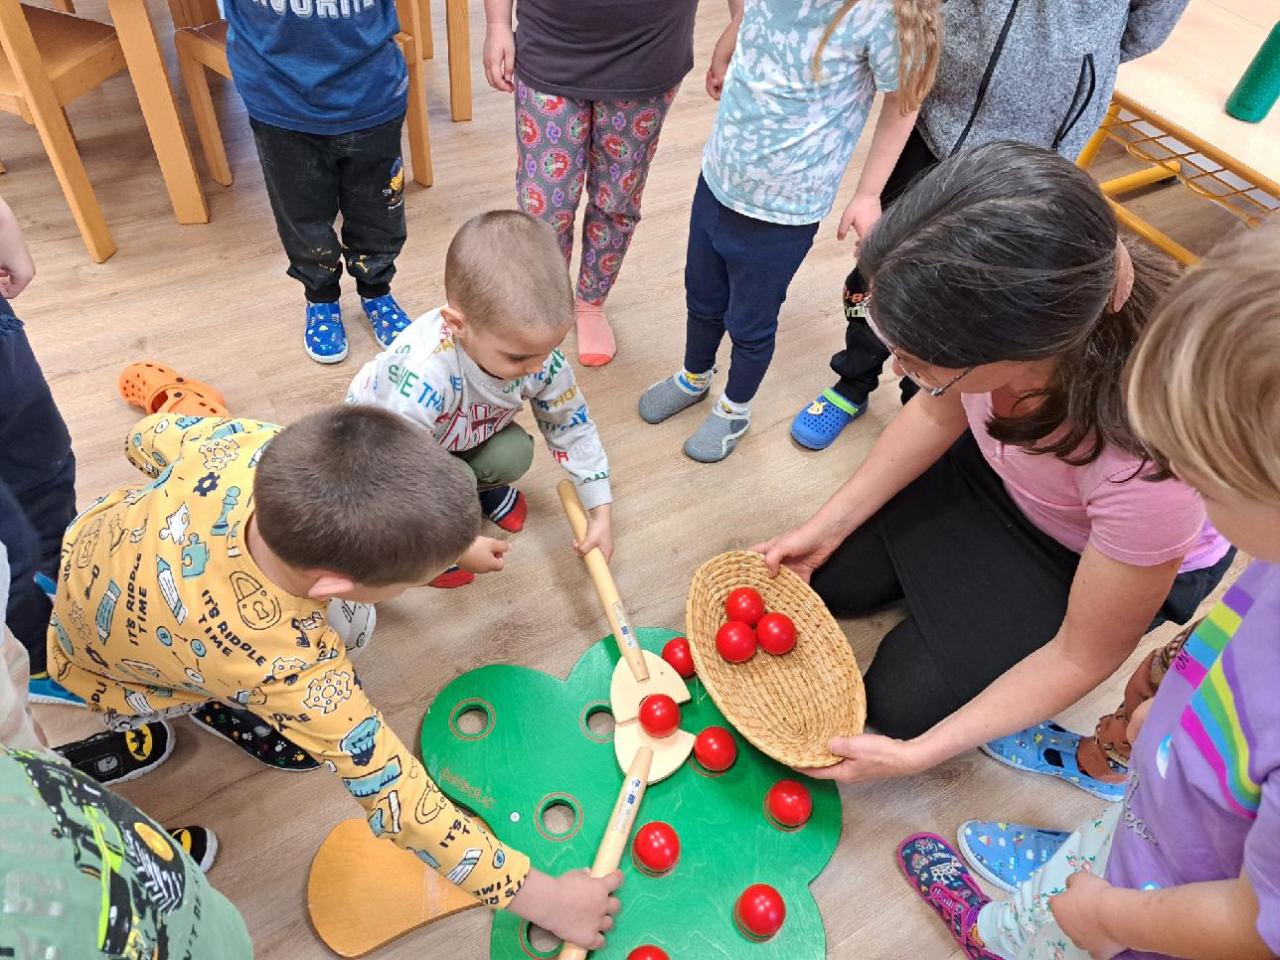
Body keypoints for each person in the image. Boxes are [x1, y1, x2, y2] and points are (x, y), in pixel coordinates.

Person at [44, 405, 622, 949]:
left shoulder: (255, 447)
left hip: (89, 556)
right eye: (415, 580)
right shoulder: (292, 664)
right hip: (125, 673)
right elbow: (405, 805)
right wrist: (547, 899)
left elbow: (144, 438)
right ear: (331, 585)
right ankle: (223, 706)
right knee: (356, 628)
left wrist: (446, 543)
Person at [754, 142, 1234, 790]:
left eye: (921, 361)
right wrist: (825, 526)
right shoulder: (1017, 321)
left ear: (1023, 351)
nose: (898, 369)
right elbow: (938, 411)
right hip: (1001, 474)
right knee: (826, 578)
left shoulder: (1151, 468)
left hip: (1081, 556)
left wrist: (920, 755)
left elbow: (1083, 654)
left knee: (900, 706)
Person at [896, 222, 1280, 960]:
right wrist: (1173, 688)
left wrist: (1111, 919)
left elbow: (1256, 925)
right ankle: (1066, 878)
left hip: (1163, 921)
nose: (1187, 490)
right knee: (1101, 856)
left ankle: (999, 937)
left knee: (1056, 929)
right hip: (1160, 821)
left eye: (1202, 475)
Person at [790, 0, 1190, 450]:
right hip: (932, 121)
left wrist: (1075, 48)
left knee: (969, 304)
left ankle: (923, 400)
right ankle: (853, 379)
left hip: (1028, 161)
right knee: (882, 273)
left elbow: (1143, 29)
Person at [637, 0, 942, 462]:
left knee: (750, 322)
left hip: (785, 209)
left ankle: (735, 409)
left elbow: (905, 100)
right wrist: (729, 40)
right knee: (701, 295)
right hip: (719, 175)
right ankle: (694, 376)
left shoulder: (877, 13)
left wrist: (868, 193)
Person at [347, 211, 613, 587]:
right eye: (518, 358)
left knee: (514, 453)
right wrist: (456, 546)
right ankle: (431, 552)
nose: (538, 368)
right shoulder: (423, 374)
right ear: (457, 325)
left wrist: (600, 510)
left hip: (450, 434)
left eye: (551, 348)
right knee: (438, 492)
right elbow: (394, 478)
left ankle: (477, 489)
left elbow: (571, 425)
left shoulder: (534, 356)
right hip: (379, 457)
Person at [482, 0, 698, 367]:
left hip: (649, 51)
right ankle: (546, 301)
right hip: (550, 39)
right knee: (544, 206)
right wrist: (497, 23)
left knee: (617, 199)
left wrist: (739, 20)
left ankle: (591, 302)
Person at [225, 0, 417, 363]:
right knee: (301, 213)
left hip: (369, 89)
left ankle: (376, 288)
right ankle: (321, 296)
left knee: (378, 211)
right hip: (277, 94)